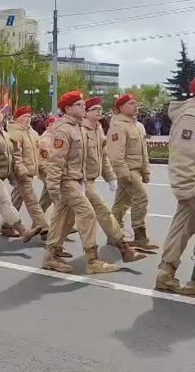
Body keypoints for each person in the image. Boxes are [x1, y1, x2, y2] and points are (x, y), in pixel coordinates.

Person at [60, 97, 146, 263]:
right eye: (95, 109)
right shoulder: (81, 130)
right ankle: (123, 248)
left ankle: (53, 248)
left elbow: (104, 156)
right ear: (86, 113)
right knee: (102, 212)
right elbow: (77, 157)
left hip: (88, 179)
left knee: (64, 216)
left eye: (100, 108)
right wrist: (79, 179)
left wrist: (110, 178)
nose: (99, 111)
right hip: (80, 180)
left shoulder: (97, 129)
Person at [42, 91, 119, 274]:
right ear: (67, 108)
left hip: (77, 180)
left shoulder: (78, 127)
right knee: (88, 214)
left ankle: (50, 256)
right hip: (67, 181)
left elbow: (86, 158)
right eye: (79, 105)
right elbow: (56, 160)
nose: (83, 107)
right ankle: (93, 260)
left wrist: (85, 179)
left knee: (63, 219)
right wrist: (53, 187)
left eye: (83, 105)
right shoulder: (64, 129)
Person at [0, 102, 42, 243]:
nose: (0, 115)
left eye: (0, 112)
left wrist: (13, 177)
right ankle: (23, 231)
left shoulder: (4, 133)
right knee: (4, 201)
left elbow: (10, 156)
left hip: (2, 174)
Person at [155, 79, 195, 294]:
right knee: (182, 228)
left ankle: (166, 273)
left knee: (181, 229)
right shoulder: (190, 117)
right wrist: (186, 190)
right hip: (192, 185)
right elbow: (182, 156)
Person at [107, 94, 158, 250]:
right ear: (121, 107)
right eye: (131, 103)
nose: (136, 106)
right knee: (141, 198)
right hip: (127, 169)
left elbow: (144, 153)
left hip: (136, 168)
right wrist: (123, 174)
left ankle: (113, 235)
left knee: (122, 203)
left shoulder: (138, 125)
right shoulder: (118, 126)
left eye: (137, 103)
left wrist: (146, 171)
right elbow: (116, 154)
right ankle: (139, 235)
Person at [0, 106, 49, 239]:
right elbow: (16, 156)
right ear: (18, 118)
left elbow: (38, 152)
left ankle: (7, 225)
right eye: (24, 116)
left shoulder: (32, 133)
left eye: (29, 116)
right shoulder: (15, 133)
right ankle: (45, 229)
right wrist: (22, 170)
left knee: (17, 198)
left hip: (30, 171)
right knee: (32, 201)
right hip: (21, 173)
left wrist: (41, 167)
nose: (28, 119)